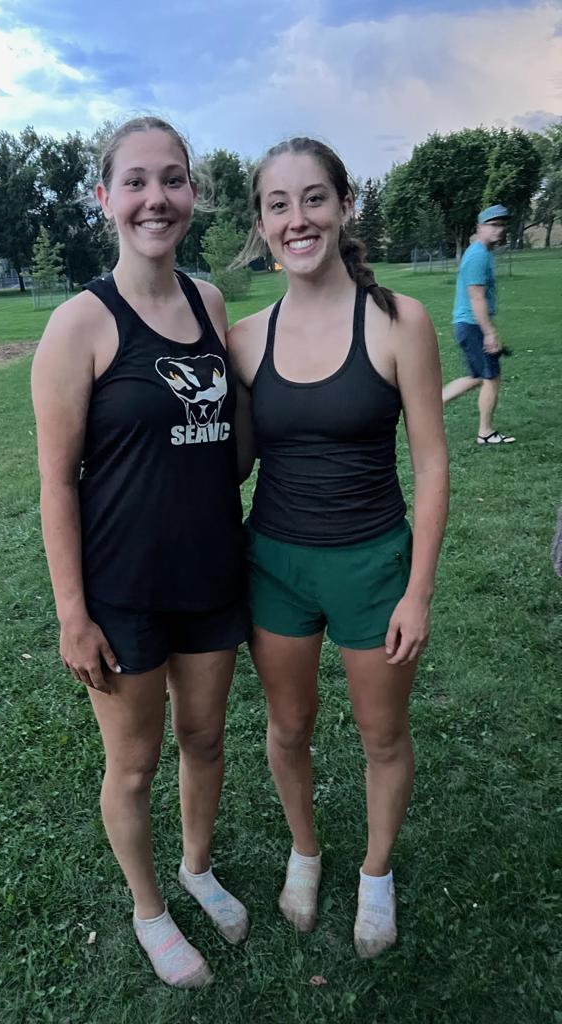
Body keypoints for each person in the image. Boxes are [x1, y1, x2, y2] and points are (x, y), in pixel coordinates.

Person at [30, 117, 250, 989]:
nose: (156, 198)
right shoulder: (78, 324)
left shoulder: (210, 303)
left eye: (173, 179)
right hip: (122, 591)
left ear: (192, 192)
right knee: (133, 765)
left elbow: (232, 440)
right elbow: (56, 483)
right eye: (136, 181)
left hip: (212, 573)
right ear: (105, 198)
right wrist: (72, 615)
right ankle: (149, 909)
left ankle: (197, 867)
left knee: (205, 738)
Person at [228, 137, 449, 958]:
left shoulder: (398, 322)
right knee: (288, 726)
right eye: (278, 204)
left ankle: (376, 874)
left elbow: (432, 464)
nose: (298, 219)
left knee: (382, 734)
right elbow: (232, 462)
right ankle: (306, 852)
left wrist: (417, 591)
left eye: (314, 198)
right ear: (261, 224)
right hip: (276, 566)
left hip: (373, 566)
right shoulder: (244, 339)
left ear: (346, 207)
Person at [442, 204, 516, 444]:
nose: (498, 230)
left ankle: (429, 406)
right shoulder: (478, 256)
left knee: (477, 376)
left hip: (469, 324)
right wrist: (489, 332)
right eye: (492, 225)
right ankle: (485, 433)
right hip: (472, 325)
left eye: (501, 225)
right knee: (490, 378)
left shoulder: (481, 252)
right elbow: (476, 297)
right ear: (479, 228)